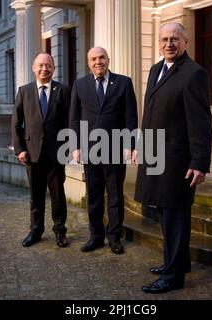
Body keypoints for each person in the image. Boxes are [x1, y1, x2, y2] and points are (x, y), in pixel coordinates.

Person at [134, 22, 212, 294]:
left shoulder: (194, 74)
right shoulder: (156, 69)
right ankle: (176, 262)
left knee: (176, 215)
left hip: (178, 159)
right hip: (156, 154)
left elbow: (201, 122)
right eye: (164, 39)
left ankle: (173, 276)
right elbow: (150, 113)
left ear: (185, 42)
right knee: (166, 213)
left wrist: (199, 163)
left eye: (174, 39)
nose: (169, 44)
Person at [69, 47, 138, 255]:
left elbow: (131, 116)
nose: (98, 62)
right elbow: (74, 117)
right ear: (88, 63)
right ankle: (96, 236)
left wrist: (131, 145)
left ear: (108, 59)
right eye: (93, 59)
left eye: (101, 58)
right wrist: (76, 146)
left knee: (115, 195)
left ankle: (114, 237)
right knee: (94, 196)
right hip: (90, 149)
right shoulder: (80, 84)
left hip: (116, 148)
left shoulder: (124, 82)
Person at [11, 53, 71, 248]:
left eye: (48, 65)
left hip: (56, 154)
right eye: (40, 65)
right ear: (33, 68)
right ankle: (36, 230)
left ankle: (60, 231)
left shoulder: (63, 91)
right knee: (36, 196)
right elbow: (16, 123)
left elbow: (70, 121)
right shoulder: (24, 91)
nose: (44, 69)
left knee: (57, 195)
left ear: (53, 68)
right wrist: (20, 149)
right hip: (32, 153)